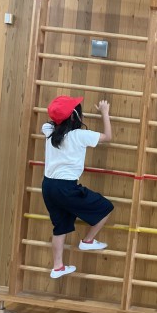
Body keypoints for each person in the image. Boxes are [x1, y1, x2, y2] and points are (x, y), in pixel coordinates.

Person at [41, 96, 114, 278]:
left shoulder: (49, 130)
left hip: (48, 186)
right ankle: (88, 241)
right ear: (75, 116)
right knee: (105, 207)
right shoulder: (79, 135)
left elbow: (52, 122)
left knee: (61, 225)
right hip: (66, 187)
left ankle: (58, 267)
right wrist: (104, 112)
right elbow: (108, 137)